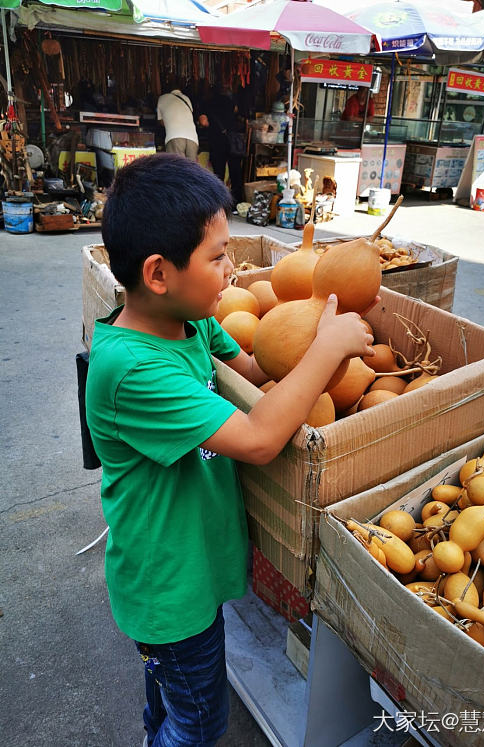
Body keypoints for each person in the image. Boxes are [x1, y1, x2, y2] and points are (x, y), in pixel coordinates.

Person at [85, 153, 376, 747]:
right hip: (169, 591)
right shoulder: (132, 369)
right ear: (159, 274)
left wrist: (320, 348)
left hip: (193, 570)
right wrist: (327, 349)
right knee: (199, 722)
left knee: (169, 694)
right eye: (218, 257)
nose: (233, 268)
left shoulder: (192, 323)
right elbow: (261, 439)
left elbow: (257, 371)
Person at [198, 85, 246, 206]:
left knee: (219, 173)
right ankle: (237, 202)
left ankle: (220, 202)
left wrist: (208, 126)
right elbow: (236, 111)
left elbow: (203, 122)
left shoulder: (206, 103)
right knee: (235, 172)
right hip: (231, 140)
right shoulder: (230, 101)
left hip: (217, 140)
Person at [157, 78, 199, 160]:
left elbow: (162, 122)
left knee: (177, 169)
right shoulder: (187, 98)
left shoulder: (162, 98)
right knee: (191, 170)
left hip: (175, 136)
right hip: (193, 138)